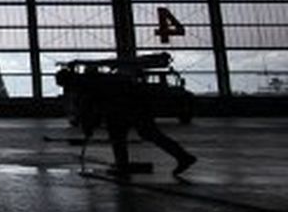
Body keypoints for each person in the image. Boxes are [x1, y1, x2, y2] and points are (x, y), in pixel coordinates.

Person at [64, 63, 197, 176]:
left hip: (124, 109)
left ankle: (123, 166)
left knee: (119, 137)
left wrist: (88, 128)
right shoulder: (101, 78)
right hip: (135, 106)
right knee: (148, 134)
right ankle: (182, 156)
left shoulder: (86, 84)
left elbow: (88, 108)